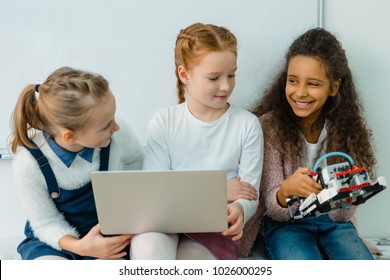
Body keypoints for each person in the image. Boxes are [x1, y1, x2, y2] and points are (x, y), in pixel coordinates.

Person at [240, 27, 379, 260]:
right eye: (293, 81)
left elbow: (343, 217)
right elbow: (274, 209)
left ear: (334, 87)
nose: (300, 92)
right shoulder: (270, 127)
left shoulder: (346, 130)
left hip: (335, 224)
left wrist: (344, 195)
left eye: (313, 84)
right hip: (286, 224)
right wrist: (286, 191)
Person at [129, 23, 263, 260]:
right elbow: (155, 190)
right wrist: (218, 189)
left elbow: (248, 194)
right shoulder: (165, 120)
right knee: (148, 250)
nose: (226, 86)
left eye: (231, 75)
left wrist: (240, 208)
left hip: (214, 229)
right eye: (214, 77)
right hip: (164, 221)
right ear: (184, 75)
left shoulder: (247, 124)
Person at [10, 67, 144, 260]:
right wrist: (81, 247)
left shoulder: (118, 136)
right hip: (55, 241)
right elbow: (45, 223)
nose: (116, 127)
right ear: (70, 136)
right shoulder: (28, 163)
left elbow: (137, 167)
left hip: (105, 238)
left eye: (113, 118)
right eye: (106, 125)